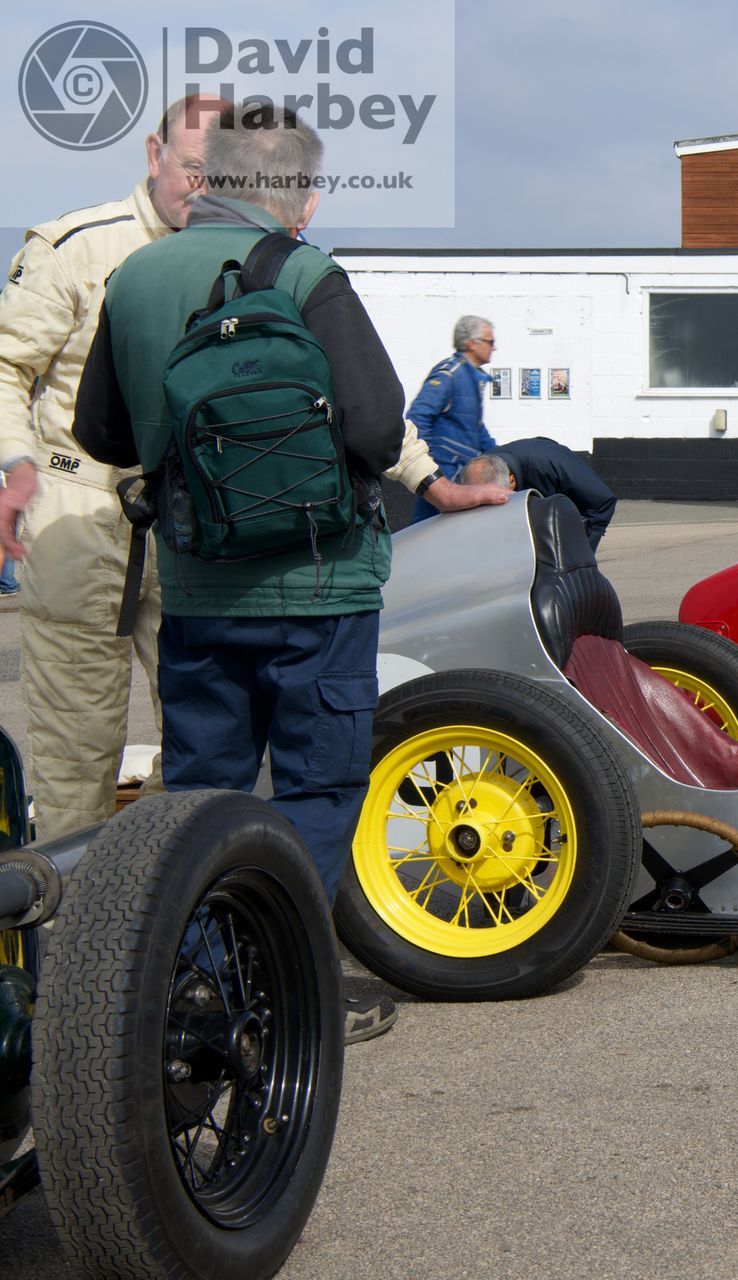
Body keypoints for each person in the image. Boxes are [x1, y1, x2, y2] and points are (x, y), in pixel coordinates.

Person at [71, 105, 405, 1042]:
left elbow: (97, 433)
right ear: (296, 192)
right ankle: (292, 991)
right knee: (316, 788)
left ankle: (206, 981)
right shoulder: (306, 272)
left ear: (206, 177)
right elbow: (377, 430)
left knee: (202, 790)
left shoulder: (134, 275)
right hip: (320, 586)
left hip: (197, 590)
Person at [0, 94, 230, 840]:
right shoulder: (76, 247)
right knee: (76, 756)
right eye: (193, 168)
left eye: (222, 172)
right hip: (78, 515)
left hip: (192, 527)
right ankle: (74, 941)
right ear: (154, 153)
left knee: (206, 742)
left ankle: (159, 900)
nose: (203, 187)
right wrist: (17, 466)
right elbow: (6, 365)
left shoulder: (245, 259)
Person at [406, 315, 499, 524]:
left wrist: (500, 455)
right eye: (490, 342)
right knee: (426, 533)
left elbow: (475, 428)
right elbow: (417, 417)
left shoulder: (472, 377)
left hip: (462, 474)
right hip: (445, 476)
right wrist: (432, 465)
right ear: (471, 343)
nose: (494, 347)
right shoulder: (449, 374)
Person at [461, 437, 619, 547]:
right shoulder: (477, 473)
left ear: (511, 481)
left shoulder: (552, 462)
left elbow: (603, 502)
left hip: (570, 513)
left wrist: (580, 552)